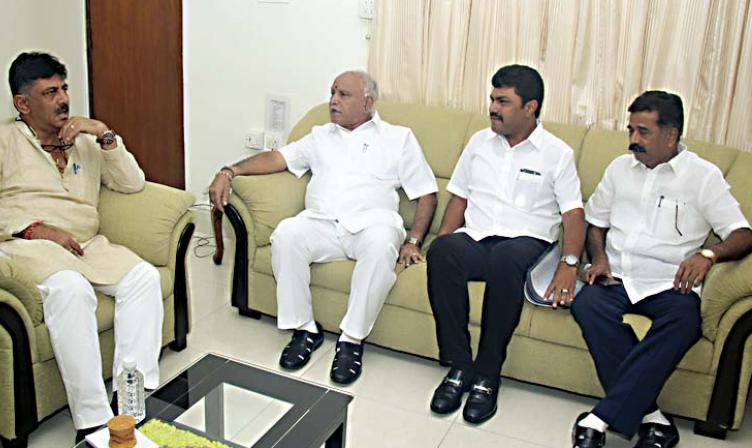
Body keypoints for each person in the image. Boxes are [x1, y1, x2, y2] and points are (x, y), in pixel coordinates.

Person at [0, 52, 163, 441]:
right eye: (50, 92)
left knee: (142, 278)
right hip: (26, 245)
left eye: (64, 88)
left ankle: (129, 405)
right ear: (23, 103)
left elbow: (132, 183)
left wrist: (103, 133)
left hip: (86, 245)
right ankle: (92, 421)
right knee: (70, 289)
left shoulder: (83, 140)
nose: (63, 99)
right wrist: (35, 229)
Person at [209, 70, 438, 384]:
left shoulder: (398, 138)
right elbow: (277, 158)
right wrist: (230, 170)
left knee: (383, 243)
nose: (333, 100)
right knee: (286, 235)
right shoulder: (319, 136)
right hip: (322, 224)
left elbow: (427, 192)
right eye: (332, 92)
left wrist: (413, 240)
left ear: (368, 102)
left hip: (373, 225)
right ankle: (304, 330)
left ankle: (351, 341)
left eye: (344, 94)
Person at [570, 91, 752, 448]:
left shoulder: (703, 176)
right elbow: (596, 224)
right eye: (630, 130)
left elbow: (743, 234)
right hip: (618, 275)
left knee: (684, 322)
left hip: (671, 284)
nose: (633, 140)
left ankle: (600, 418)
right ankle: (652, 417)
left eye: (643, 132)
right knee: (586, 305)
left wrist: (709, 255)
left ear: (671, 135)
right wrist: (600, 258)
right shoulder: (619, 169)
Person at [426, 65, 586, 424]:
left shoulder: (556, 153)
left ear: (530, 107)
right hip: (479, 237)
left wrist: (570, 262)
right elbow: (459, 197)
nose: (493, 108)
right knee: (444, 251)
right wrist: (442, 238)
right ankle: (460, 367)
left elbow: (574, 214)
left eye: (503, 101)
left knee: (506, 257)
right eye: (492, 99)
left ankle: (487, 374)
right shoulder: (479, 143)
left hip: (525, 244)